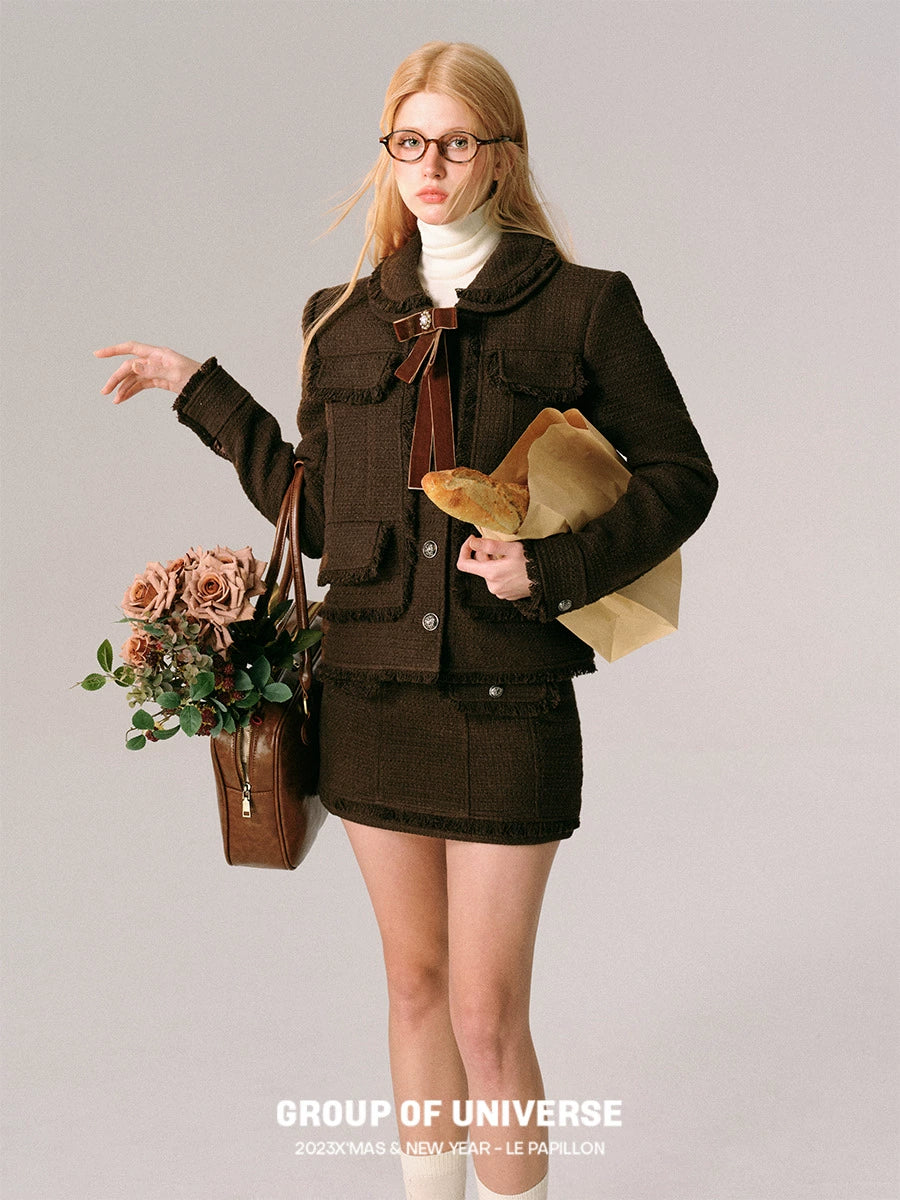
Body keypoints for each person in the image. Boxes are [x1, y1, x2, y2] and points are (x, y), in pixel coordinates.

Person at [96, 41, 717, 1200]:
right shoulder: (339, 322)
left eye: (455, 142)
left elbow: (683, 476)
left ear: (501, 154)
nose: (429, 166)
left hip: (507, 699)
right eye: (408, 142)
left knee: (487, 1014)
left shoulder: (583, 308)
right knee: (415, 989)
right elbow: (320, 516)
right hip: (371, 694)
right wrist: (202, 393)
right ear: (388, 152)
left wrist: (550, 568)